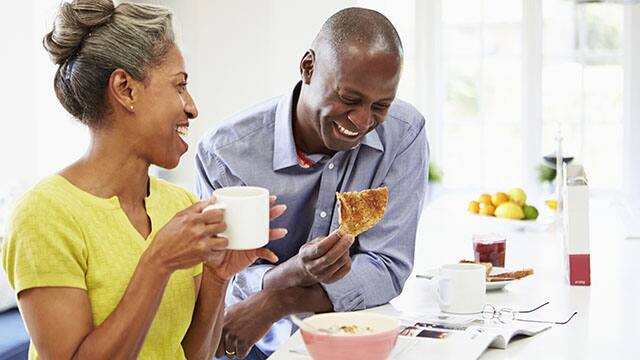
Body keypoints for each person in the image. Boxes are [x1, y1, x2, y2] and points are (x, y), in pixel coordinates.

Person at [1, 1, 286, 359]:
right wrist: (158, 262)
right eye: (179, 86)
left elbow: (191, 355)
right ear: (125, 89)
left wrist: (217, 277)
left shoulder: (178, 206)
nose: (192, 106)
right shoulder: (44, 215)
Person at [195, 7, 429, 360]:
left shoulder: (404, 133)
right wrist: (291, 272)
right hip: (248, 340)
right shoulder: (226, 153)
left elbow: (387, 266)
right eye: (350, 99)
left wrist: (281, 299)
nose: (363, 120)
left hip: (350, 335)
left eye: (381, 105)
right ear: (308, 68)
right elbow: (222, 272)